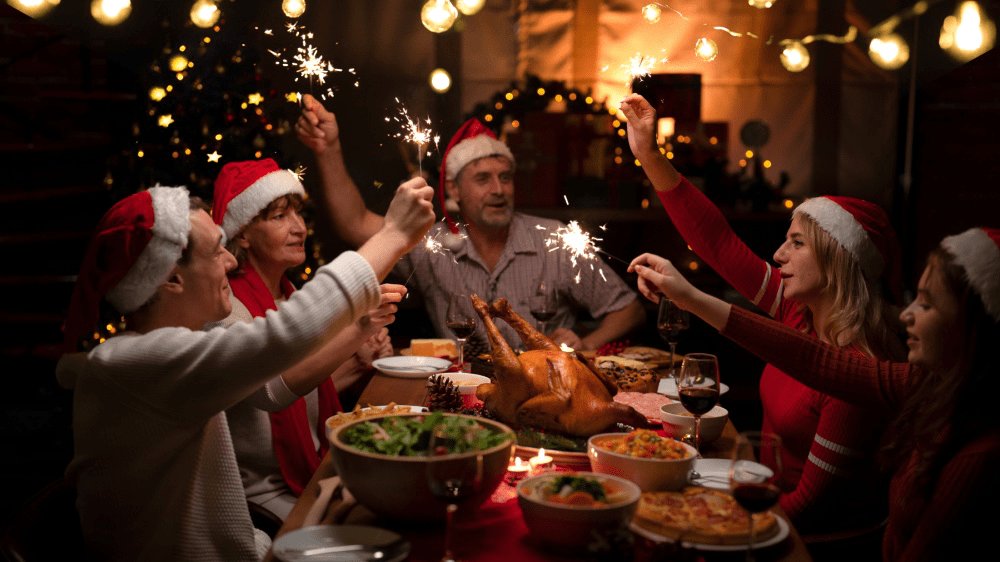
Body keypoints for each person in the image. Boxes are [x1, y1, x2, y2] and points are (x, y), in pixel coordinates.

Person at [56, 179, 435, 561]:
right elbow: (283, 335)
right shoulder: (138, 364)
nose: (232, 260)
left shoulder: (165, 355)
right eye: (216, 250)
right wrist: (394, 234)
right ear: (172, 277)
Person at [621, 93, 906, 532]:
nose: (777, 254)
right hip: (764, 497)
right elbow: (717, 242)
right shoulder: (800, 314)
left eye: (797, 243)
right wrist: (648, 155)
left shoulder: (860, 372)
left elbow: (807, 509)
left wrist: (704, 525)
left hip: (809, 542)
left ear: (837, 263)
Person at [629, 226, 1000, 562]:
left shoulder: (980, 453)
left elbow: (816, 365)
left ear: (974, 329)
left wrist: (711, 518)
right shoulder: (926, 385)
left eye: (928, 304)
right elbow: (811, 359)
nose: (906, 316)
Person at [295, 94, 645, 351]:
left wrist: (583, 343)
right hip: (464, 396)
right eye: (482, 179)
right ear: (453, 189)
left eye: (505, 178)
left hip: (549, 389)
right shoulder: (431, 246)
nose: (498, 190)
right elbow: (354, 224)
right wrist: (328, 150)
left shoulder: (555, 240)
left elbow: (628, 310)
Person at [209, 158, 396, 520]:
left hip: (311, 470)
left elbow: (304, 393)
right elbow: (273, 393)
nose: (298, 228)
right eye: (279, 217)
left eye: (297, 213)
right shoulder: (229, 308)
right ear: (243, 233)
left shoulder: (287, 293)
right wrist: (358, 331)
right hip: (260, 493)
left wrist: (358, 360)